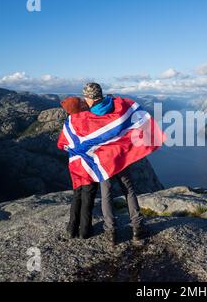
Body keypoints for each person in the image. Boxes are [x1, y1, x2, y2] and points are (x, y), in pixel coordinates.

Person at [82, 83, 146, 245]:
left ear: (89, 98)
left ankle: (111, 232)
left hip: (104, 161)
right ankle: (137, 228)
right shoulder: (116, 106)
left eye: (86, 97)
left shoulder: (89, 116)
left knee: (107, 193)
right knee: (129, 190)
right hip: (121, 156)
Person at [58, 97, 97, 239]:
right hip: (88, 165)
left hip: (74, 165)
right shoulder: (88, 119)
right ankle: (85, 230)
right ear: (78, 107)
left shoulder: (68, 123)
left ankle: (71, 228)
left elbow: (60, 144)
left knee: (77, 196)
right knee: (88, 197)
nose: (83, 103)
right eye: (81, 102)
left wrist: (74, 149)